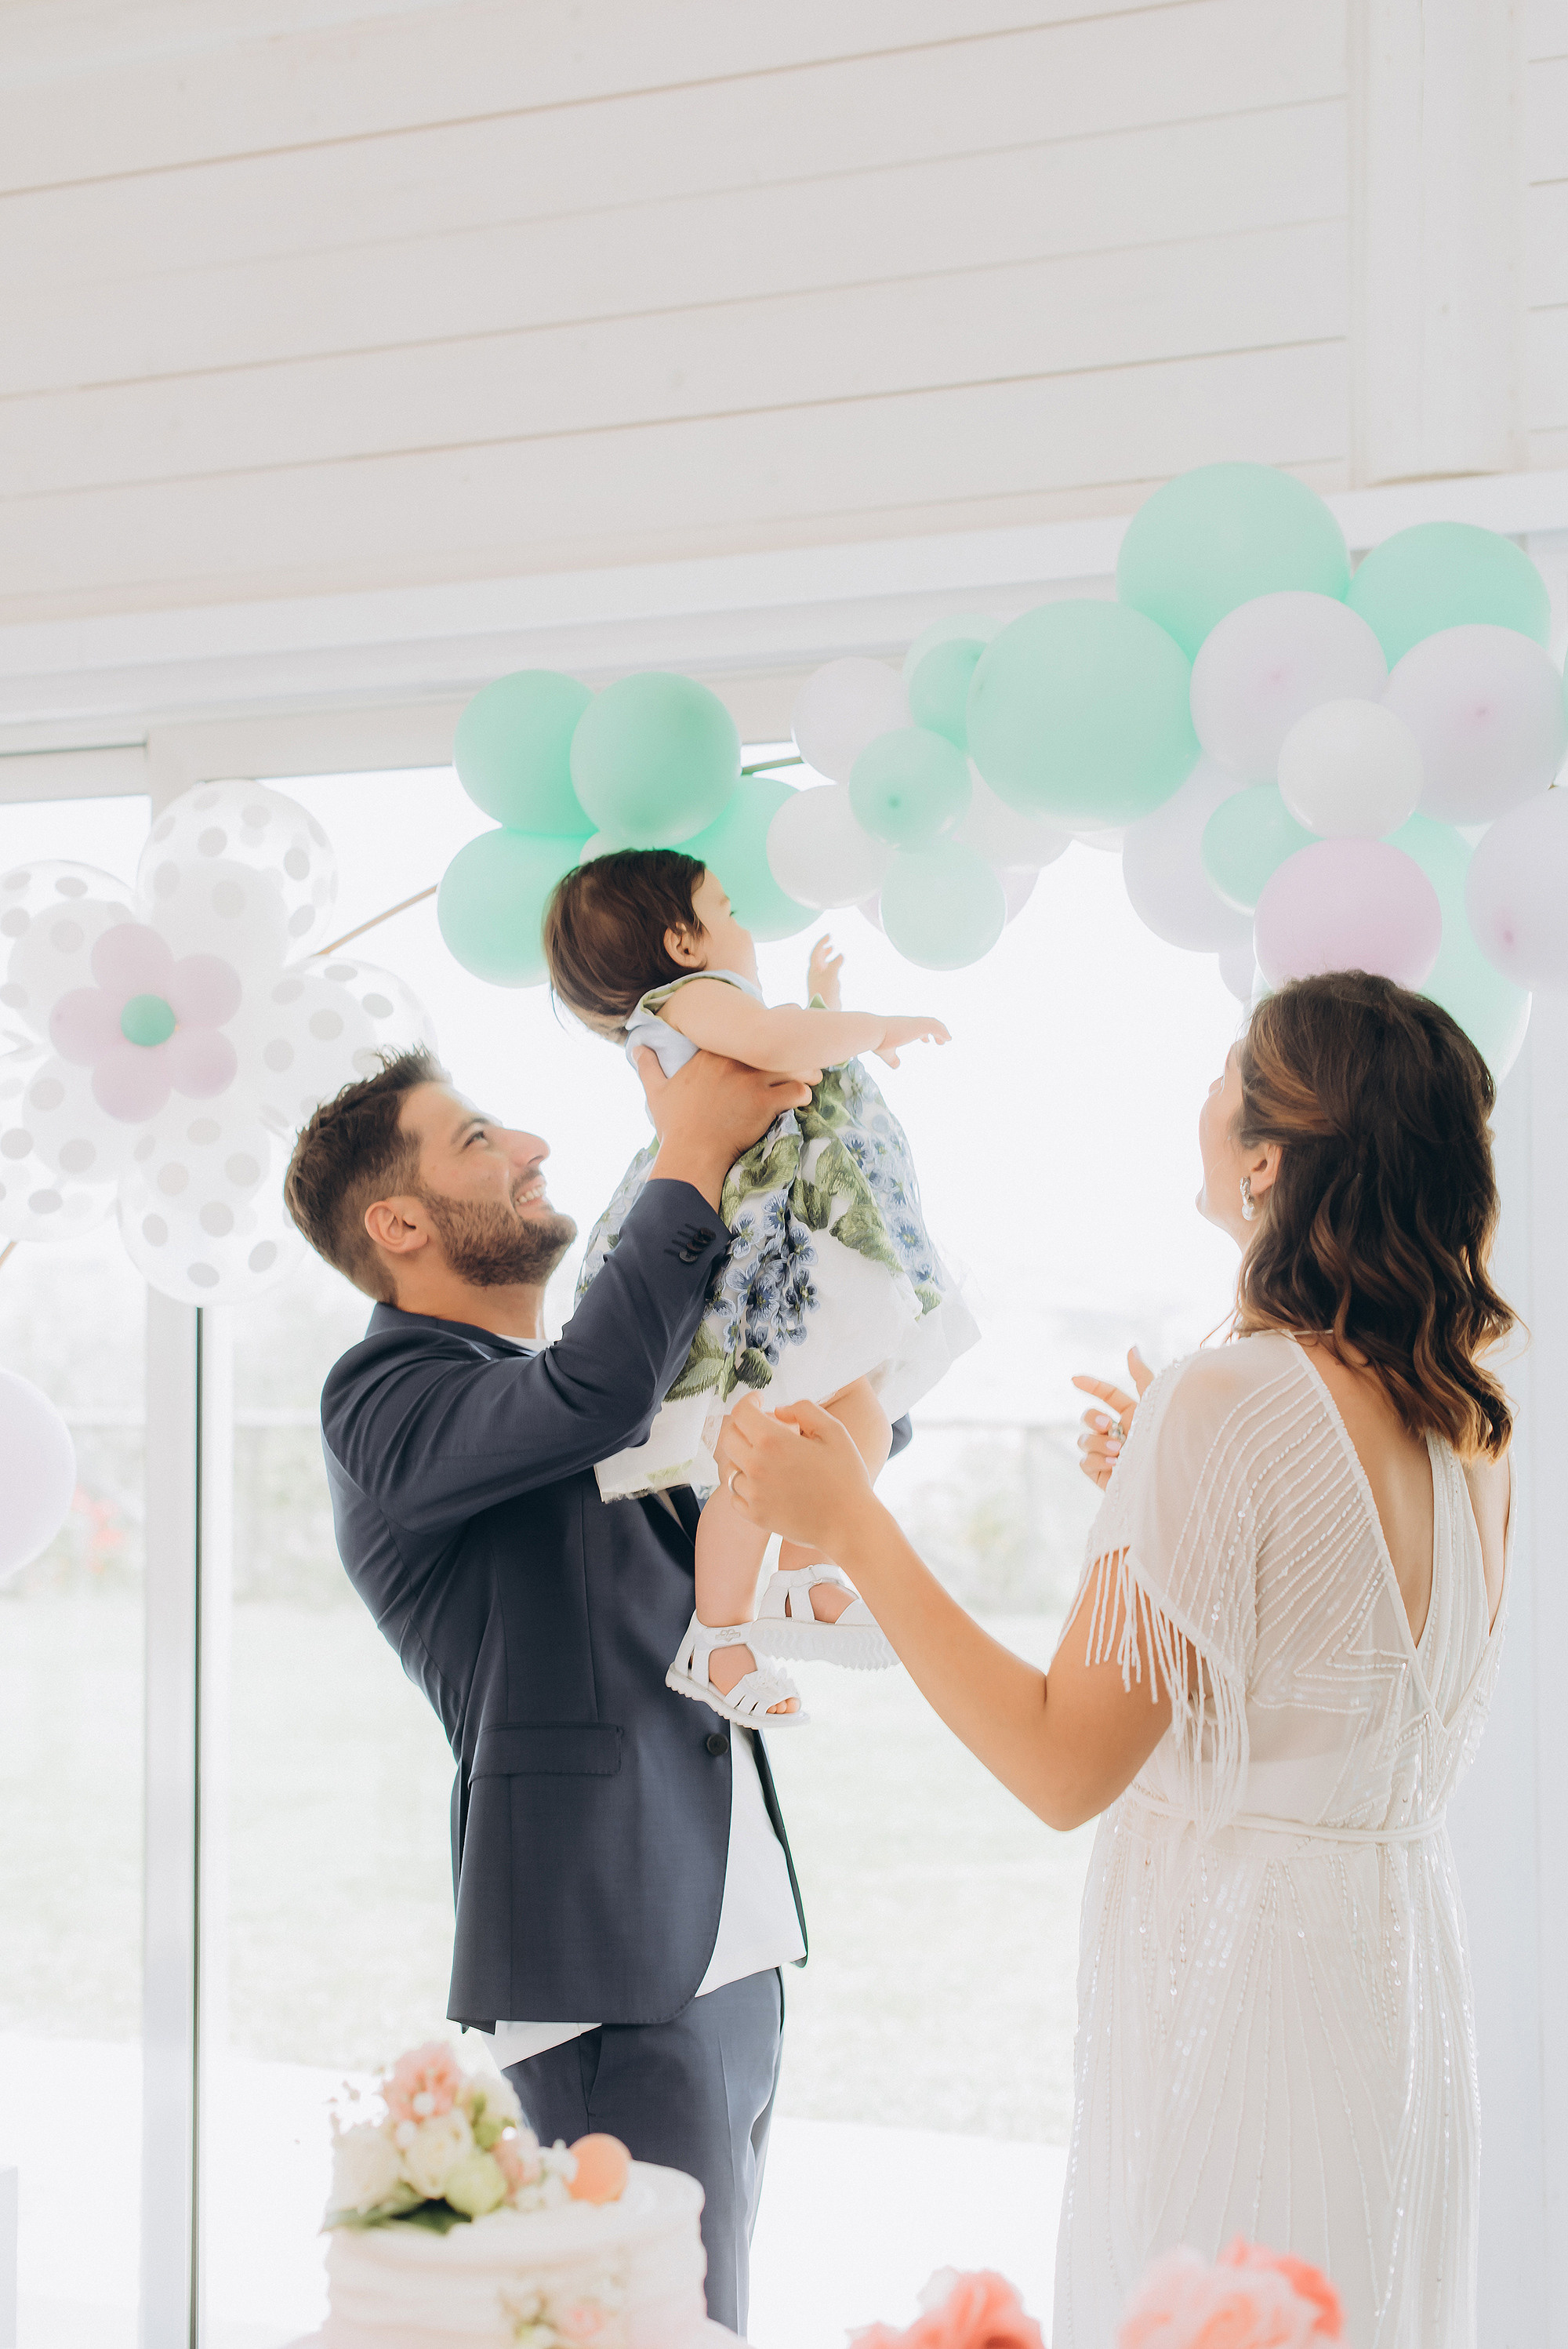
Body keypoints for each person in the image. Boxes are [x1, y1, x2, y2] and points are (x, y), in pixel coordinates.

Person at [716, 971, 1515, 2349]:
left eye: (1226, 1073)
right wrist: (1166, 1491)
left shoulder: (1232, 1400)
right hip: (1394, 2009)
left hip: (1247, 2009)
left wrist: (853, 1524)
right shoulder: (1466, 1419)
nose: (1204, 1097)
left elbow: (1060, 1763)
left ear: (1269, 1158)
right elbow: (1339, 1673)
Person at [282, 1037, 904, 2332]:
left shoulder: (578, 1397)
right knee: (641, 2323)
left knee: (712, 2318)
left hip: (726, 1933)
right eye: (477, 1141)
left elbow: (714, 1473)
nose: (531, 1148)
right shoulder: (385, 1396)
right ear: (396, 1223)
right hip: (607, 1962)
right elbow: (598, 1388)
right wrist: (690, 1145)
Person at [543, 848, 974, 1726]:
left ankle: (805, 1570)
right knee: (765, 1441)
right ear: (681, 939)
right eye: (725, 906)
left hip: (798, 1241)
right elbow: (782, 1048)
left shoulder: (720, 1011)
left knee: (854, 1414)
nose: (743, 926)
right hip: (758, 1257)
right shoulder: (685, 1000)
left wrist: (820, 1010)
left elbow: (785, 1050)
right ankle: (720, 1633)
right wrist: (868, 1022)